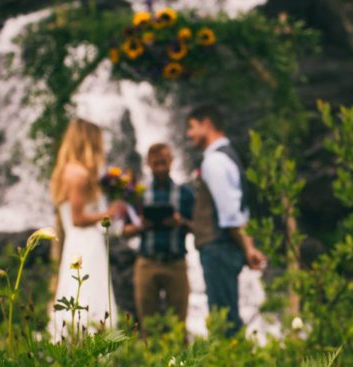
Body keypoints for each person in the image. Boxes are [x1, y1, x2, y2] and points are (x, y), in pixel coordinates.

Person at [186, 104, 266, 335]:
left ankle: (231, 365)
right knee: (227, 311)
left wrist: (248, 248)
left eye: (192, 127)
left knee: (223, 317)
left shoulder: (215, 161)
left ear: (207, 124)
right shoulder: (229, 156)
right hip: (224, 246)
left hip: (219, 247)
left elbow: (231, 214)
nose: (189, 134)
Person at [48, 118, 126, 338]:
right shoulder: (78, 175)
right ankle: (90, 341)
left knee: (79, 289)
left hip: (77, 242)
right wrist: (108, 213)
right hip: (85, 241)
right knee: (88, 290)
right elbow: (78, 218)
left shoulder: (67, 170)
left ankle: (75, 339)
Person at [123, 143, 194, 327]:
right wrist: (141, 226)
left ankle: (180, 356)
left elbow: (199, 227)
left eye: (164, 162)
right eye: (156, 164)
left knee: (178, 326)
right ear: (148, 163)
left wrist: (181, 223)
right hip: (147, 263)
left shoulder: (185, 194)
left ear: (172, 161)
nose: (160, 168)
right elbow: (124, 231)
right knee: (147, 325)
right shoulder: (138, 194)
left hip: (176, 263)